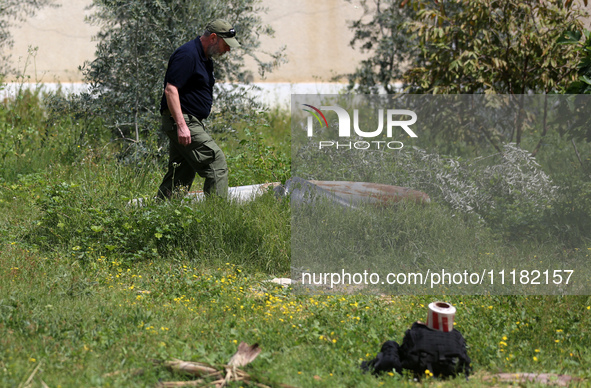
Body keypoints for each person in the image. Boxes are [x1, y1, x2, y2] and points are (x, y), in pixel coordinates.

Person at [156, 19, 240, 200]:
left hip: (190, 121)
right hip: (183, 120)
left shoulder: (204, 57)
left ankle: (161, 215)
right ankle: (217, 216)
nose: (228, 50)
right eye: (226, 45)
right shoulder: (187, 55)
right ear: (213, 38)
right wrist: (181, 125)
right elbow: (171, 90)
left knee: (181, 174)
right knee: (216, 161)